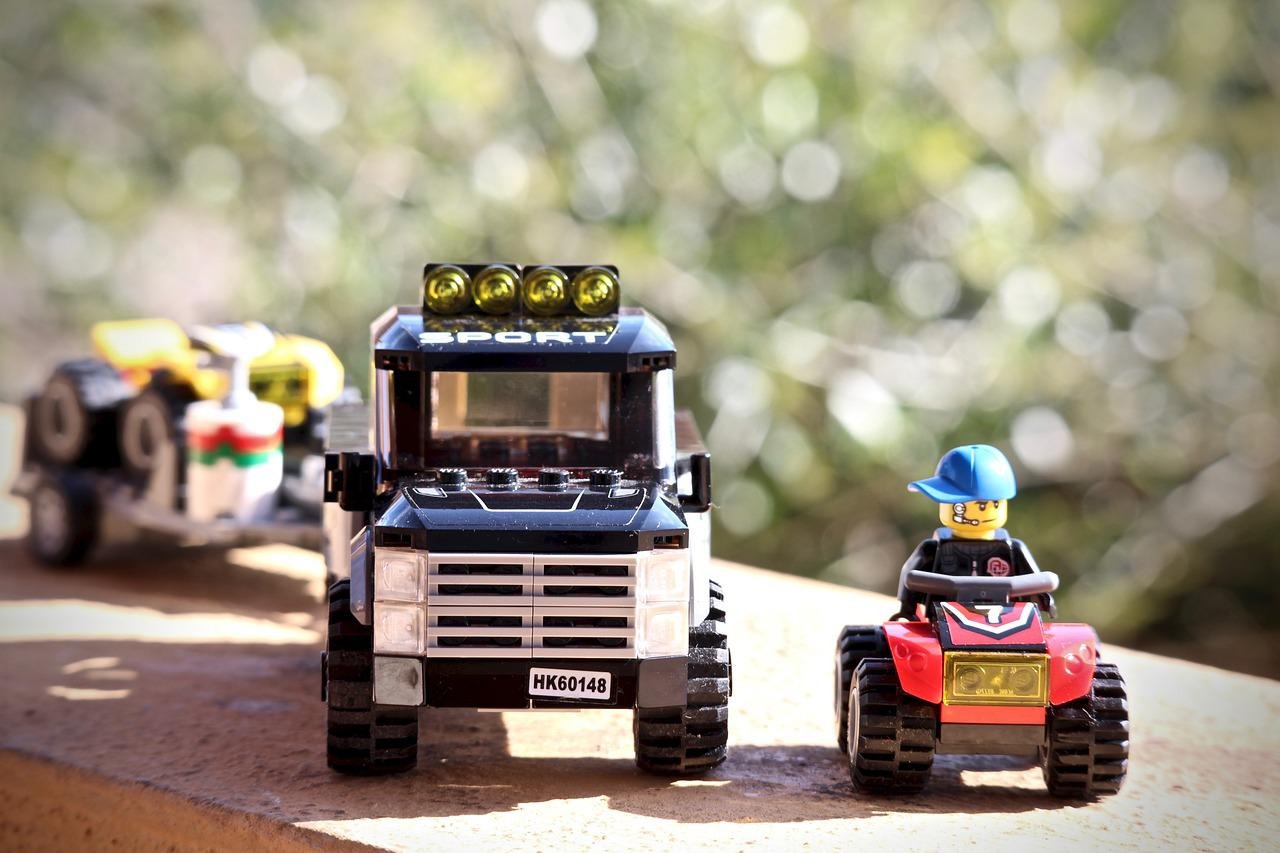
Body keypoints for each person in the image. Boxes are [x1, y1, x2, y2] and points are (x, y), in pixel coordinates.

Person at [893, 444, 1054, 619]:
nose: (966, 512)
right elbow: (910, 577)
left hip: (1007, 620)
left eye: (985, 505)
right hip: (942, 619)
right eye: (958, 505)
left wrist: (1045, 601)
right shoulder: (932, 549)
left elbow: (1036, 581)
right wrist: (907, 610)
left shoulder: (1013, 549)